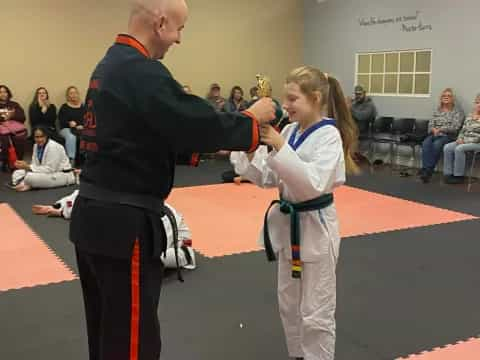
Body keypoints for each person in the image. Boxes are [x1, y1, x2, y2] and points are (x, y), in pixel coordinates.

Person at [69, 1, 276, 360]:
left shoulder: (110, 64)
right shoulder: (139, 70)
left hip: (96, 219)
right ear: (161, 22)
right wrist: (251, 122)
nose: (178, 40)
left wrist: (205, 148)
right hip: (122, 225)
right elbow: (193, 121)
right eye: (179, 29)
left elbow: (143, 134)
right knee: (132, 344)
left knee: (108, 335)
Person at [234, 66, 358, 360]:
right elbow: (267, 177)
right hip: (290, 227)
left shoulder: (329, 135)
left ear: (315, 98)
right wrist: (251, 149)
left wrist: (278, 145)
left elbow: (314, 184)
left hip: (315, 227)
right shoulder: (290, 130)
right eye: (284, 98)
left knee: (316, 309)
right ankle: (298, 354)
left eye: (292, 99)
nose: (284, 105)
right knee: (289, 303)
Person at [33, 193, 196, 269]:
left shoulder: (157, 216)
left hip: (173, 238)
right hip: (138, 224)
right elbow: (81, 196)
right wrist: (58, 209)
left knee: (154, 259)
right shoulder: (106, 191)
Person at [9, 126, 75, 191]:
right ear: (34, 137)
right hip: (44, 173)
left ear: (46, 136)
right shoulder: (35, 146)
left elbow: (50, 169)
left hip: (60, 174)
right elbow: (35, 165)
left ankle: (26, 183)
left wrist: (28, 167)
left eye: (42, 136)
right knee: (17, 173)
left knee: (30, 177)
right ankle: (29, 184)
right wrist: (25, 166)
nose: (39, 139)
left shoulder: (53, 147)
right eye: (37, 137)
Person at [419, 88, 465, 183]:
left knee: (437, 145)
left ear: (452, 99)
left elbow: (455, 127)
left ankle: (427, 170)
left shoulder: (458, 112)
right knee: (425, 143)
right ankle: (426, 169)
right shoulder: (438, 110)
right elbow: (431, 124)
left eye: (448, 96)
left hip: (448, 136)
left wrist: (440, 129)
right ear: (441, 98)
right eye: (444, 96)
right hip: (434, 134)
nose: (446, 97)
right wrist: (433, 129)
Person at [443, 93, 480, 184]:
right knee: (447, 147)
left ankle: (458, 176)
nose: (478, 105)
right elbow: (463, 130)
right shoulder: (470, 116)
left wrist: (464, 141)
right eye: (477, 102)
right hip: (463, 140)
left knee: (459, 148)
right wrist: (459, 138)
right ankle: (448, 174)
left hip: (476, 143)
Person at [0, 85, 27, 171]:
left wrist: (11, 116)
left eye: (5, 92)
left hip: (14, 128)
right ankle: (5, 162)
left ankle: (17, 161)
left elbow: (22, 117)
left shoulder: (14, 104)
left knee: (19, 137)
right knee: (4, 139)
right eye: (0, 92)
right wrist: (3, 118)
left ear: (8, 93)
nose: (3, 94)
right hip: (1, 129)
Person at [58, 86, 86, 165]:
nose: (73, 95)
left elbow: (88, 119)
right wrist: (69, 123)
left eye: (75, 93)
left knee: (89, 135)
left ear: (78, 94)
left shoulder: (84, 106)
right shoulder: (64, 107)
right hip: (66, 129)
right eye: (71, 93)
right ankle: (71, 160)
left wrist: (82, 125)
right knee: (71, 136)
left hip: (82, 128)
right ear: (68, 95)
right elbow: (62, 121)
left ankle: (87, 160)